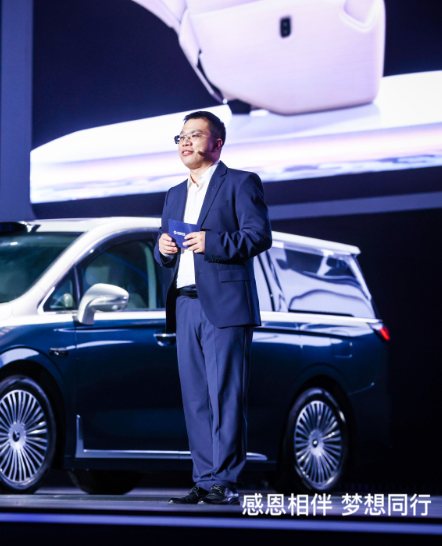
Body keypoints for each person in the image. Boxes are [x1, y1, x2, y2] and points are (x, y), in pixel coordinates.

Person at [153, 111, 272, 505]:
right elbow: (166, 248)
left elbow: (259, 236)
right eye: (181, 137)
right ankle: (204, 480)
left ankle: (225, 480)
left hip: (225, 305)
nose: (185, 142)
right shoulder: (174, 193)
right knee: (196, 399)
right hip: (185, 303)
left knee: (225, 396)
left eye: (194, 135)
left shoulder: (240, 182)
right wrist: (162, 248)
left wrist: (212, 242)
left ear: (217, 143)